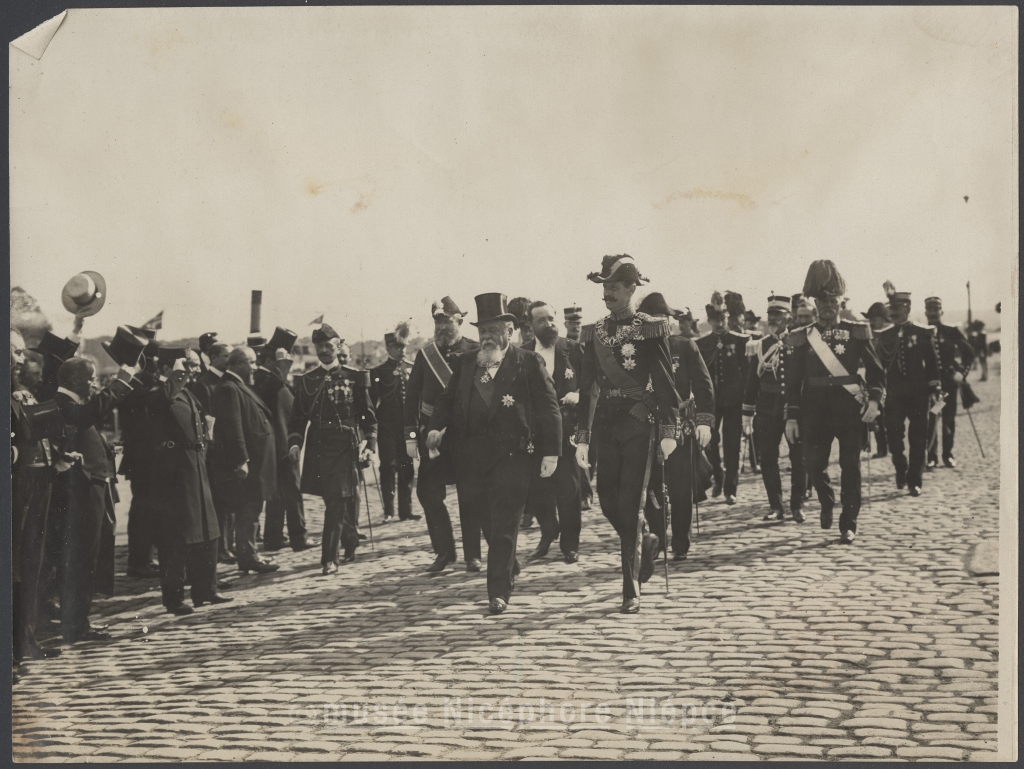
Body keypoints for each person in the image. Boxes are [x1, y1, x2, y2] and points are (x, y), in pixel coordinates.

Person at [427, 293, 561, 614]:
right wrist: (435, 427)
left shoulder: (528, 362)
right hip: (471, 458)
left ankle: (498, 591)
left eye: (494, 330)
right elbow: (446, 399)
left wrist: (551, 452)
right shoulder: (466, 362)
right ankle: (508, 563)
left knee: (504, 522)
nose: (486, 337)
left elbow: (549, 408)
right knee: (484, 519)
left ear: (510, 331)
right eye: (482, 330)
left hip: (513, 457)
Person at [574, 255, 681, 614]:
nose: (607, 293)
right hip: (607, 425)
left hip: (639, 424)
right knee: (608, 502)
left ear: (632, 288)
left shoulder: (651, 328)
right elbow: (588, 387)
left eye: (614, 286)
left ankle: (630, 590)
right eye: (604, 286)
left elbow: (664, 380)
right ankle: (646, 542)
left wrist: (667, 427)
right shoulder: (594, 332)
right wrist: (583, 436)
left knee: (631, 504)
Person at [784, 261, 885, 545]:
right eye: (823, 302)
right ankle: (826, 501)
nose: (828, 306)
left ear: (841, 303)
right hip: (814, 411)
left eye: (833, 301)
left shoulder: (856, 332)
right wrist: (792, 417)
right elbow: (793, 381)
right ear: (816, 305)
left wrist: (874, 402)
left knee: (850, 466)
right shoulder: (803, 337)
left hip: (849, 410)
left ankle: (848, 523)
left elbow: (876, 371)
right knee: (813, 464)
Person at [52, 340, 141, 644]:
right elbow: (88, 414)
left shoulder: (73, 405)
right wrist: (121, 381)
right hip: (81, 492)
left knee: (89, 555)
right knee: (82, 557)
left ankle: (79, 621)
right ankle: (76, 625)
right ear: (74, 379)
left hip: (90, 487)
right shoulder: (64, 404)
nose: (93, 384)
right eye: (90, 379)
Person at [287, 324, 377, 574]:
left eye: (329, 346)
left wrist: (370, 445)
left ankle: (329, 559)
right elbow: (297, 418)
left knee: (336, 500)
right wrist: (294, 443)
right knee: (332, 498)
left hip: (345, 445)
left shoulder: (354, 377)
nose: (324, 351)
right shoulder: (307, 380)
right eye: (320, 347)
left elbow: (368, 417)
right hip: (317, 446)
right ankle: (350, 537)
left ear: (338, 347)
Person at [148, 349, 232, 614]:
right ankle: (174, 598)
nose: (194, 371)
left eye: (194, 367)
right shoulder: (158, 391)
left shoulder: (186, 392)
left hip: (197, 466)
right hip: (175, 471)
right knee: (177, 536)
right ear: (169, 368)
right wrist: (176, 375)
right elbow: (161, 402)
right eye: (188, 367)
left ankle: (206, 590)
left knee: (208, 530)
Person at [403, 298, 480, 572]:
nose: (442, 327)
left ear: (460, 320)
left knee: (469, 495)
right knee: (428, 493)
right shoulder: (426, 355)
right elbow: (411, 398)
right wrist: (411, 435)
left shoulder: (475, 350)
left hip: (466, 435)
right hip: (433, 437)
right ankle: (445, 551)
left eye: (447, 321)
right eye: (438, 322)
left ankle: (473, 555)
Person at [638, 294, 714, 561]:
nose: (659, 324)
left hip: (680, 425)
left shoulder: (684, 346)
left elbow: (704, 386)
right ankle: (657, 539)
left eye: (662, 319)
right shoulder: (635, 349)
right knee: (652, 489)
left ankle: (681, 542)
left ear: (669, 321)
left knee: (681, 489)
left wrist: (704, 422)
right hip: (645, 425)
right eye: (651, 319)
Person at [11, 331, 69, 660]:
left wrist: (59, 455)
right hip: (17, 486)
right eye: (16, 353)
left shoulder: (22, 393)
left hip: (36, 483)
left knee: (32, 559)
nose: (22, 359)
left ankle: (25, 638)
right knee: (17, 562)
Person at [521, 301, 584, 563]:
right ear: (530, 325)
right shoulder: (522, 353)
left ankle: (570, 544)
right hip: (535, 433)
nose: (549, 324)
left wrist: (578, 394)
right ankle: (548, 533)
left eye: (551, 318)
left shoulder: (573, 349)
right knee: (538, 490)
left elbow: (593, 383)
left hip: (567, 430)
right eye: (541, 320)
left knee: (569, 488)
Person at [212, 347, 280, 574]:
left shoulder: (237, 385)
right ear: (239, 363)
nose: (254, 367)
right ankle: (249, 557)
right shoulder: (229, 388)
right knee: (248, 511)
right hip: (250, 463)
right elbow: (233, 428)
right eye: (251, 362)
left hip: (256, 462)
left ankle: (249, 555)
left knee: (252, 510)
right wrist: (241, 459)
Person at [743, 295, 807, 522]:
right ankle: (776, 507)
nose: (773, 319)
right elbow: (752, 382)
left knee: (799, 458)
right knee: (768, 459)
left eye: (778, 315)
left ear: (788, 318)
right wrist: (747, 414)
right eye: (771, 315)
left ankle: (798, 505)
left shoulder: (798, 342)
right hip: (767, 410)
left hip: (793, 410)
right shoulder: (760, 345)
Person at [875, 284, 942, 496]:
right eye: (892, 308)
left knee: (918, 437)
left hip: (918, 395)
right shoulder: (885, 335)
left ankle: (914, 480)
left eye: (898, 307)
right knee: (894, 436)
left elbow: (932, 363)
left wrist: (935, 387)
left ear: (908, 308)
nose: (894, 311)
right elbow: (878, 366)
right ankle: (900, 466)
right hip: (894, 396)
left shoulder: (922, 332)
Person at [254, 328, 310, 551]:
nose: (288, 363)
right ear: (272, 361)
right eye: (284, 359)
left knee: (278, 494)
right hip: (282, 446)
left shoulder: (271, 379)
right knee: (292, 491)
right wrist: (282, 366)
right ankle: (299, 537)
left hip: (280, 445)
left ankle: (274, 537)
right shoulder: (267, 380)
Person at [696, 292, 750, 504]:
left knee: (732, 444)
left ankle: (730, 488)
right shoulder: (702, 344)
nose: (719, 323)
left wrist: (746, 402)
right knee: (709, 441)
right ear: (709, 321)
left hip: (734, 402)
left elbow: (746, 374)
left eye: (722, 319)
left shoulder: (740, 341)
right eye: (715, 320)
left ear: (728, 318)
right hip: (711, 403)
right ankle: (718, 475)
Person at [189, 341, 236, 564]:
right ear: (214, 357)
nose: (230, 360)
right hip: (215, 453)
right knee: (219, 503)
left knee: (230, 501)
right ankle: (221, 548)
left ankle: (229, 545)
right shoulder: (204, 385)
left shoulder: (229, 381)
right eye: (226, 356)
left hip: (229, 450)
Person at [118, 342, 161, 579]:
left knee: (146, 508)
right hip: (143, 457)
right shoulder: (138, 385)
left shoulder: (141, 383)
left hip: (144, 456)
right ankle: (139, 561)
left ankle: (144, 558)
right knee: (143, 509)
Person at [370, 322, 418, 523]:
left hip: (407, 427)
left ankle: (406, 511)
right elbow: (372, 404)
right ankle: (388, 511)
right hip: (387, 427)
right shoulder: (379, 372)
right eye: (398, 347)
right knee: (388, 468)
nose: (402, 350)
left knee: (407, 467)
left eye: (404, 346)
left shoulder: (411, 368)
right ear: (388, 348)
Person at [924, 296, 975, 468]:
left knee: (948, 420)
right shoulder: (921, 332)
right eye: (929, 310)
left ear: (941, 312)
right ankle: (931, 456)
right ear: (925, 312)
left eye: (936, 310)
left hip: (947, 385)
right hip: (929, 385)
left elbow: (969, 353)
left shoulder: (951, 331)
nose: (933, 313)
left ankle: (947, 455)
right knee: (931, 420)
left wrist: (961, 373)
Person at [861, 303, 891, 458]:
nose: (872, 322)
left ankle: (887, 447)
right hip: (872, 381)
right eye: (870, 319)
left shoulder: (888, 337)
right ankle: (879, 448)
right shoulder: (868, 336)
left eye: (876, 318)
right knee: (876, 415)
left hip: (889, 381)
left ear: (884, 320)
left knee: (887, 417)